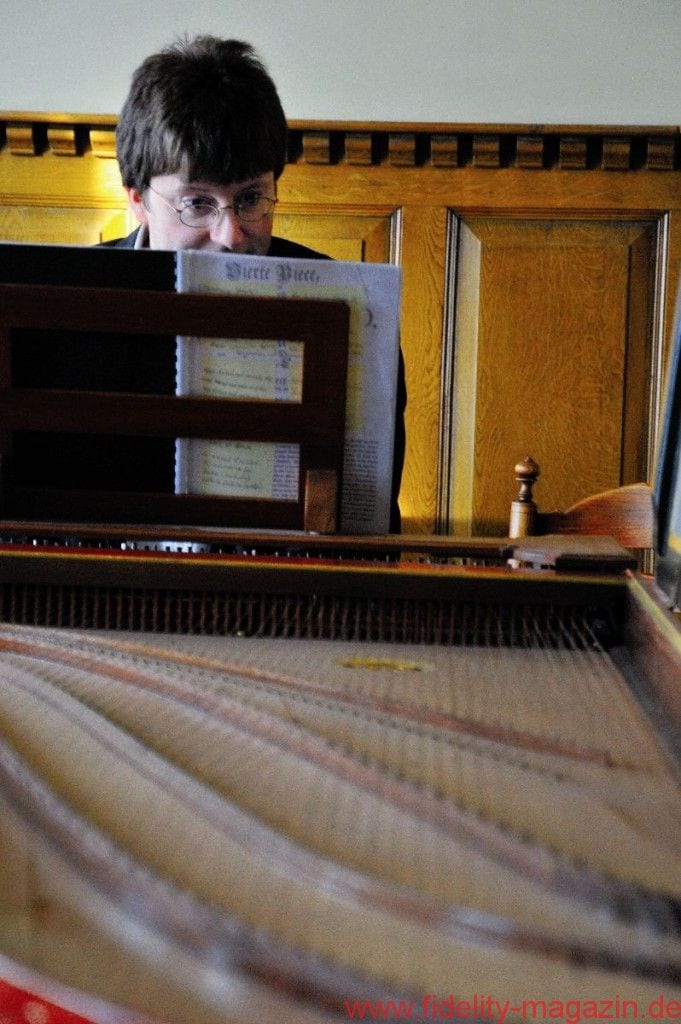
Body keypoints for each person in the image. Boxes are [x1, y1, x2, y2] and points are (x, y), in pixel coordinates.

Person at [104, 35, 405, 530]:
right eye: (197, 203)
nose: (231, 236)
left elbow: (366, 522)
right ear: (137, 200)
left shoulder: (349, 308)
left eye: (249, 199)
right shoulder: (57, 296)